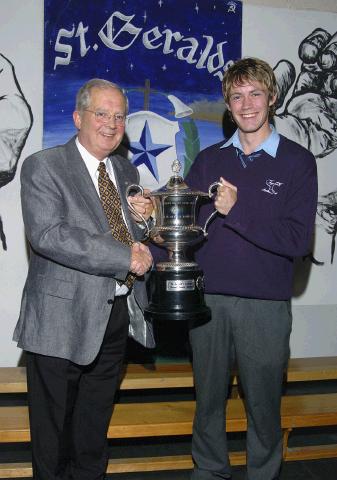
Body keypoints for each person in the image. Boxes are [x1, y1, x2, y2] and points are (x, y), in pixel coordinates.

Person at [13, 78, 154, 480]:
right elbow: (49, 235)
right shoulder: (44, 166)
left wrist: (143, 221)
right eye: (101, 113)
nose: (111, 123)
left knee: (93, 432)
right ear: (78, 117)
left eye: (119, 116)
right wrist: (124, 255)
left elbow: (130, 235)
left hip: (113, 316)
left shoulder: (126, 169)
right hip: (59, 322)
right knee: (53, 437)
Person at [185, 57, 318, 480]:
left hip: (265, 306)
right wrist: (152, 219)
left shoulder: (297, 161)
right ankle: (209, 469)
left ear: (272, 98)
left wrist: (236, 211)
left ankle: (263, 473)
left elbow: (298, 241)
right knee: (207, 398)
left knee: (263, 403)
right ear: (227, 103)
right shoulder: (207, 159)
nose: (246, 105)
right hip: (207, 300)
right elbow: (186, 228)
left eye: (255, 94)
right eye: (237, 96)